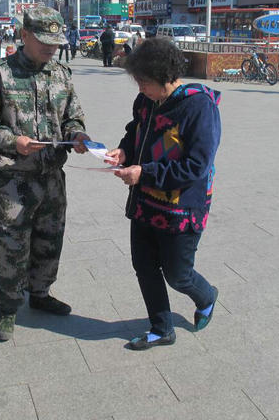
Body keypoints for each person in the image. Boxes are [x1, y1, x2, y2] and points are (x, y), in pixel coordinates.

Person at [0, 7, 91, 342]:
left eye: (55, 42)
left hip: (52, 177)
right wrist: (13, 142)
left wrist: (78, 134)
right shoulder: (0, 74)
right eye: (43, 41)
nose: (51, 47)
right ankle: (8, 308)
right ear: (24, 36)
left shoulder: (61, 74)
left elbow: (73, 115)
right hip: (14, 181)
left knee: (50, 241)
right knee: (12, 247)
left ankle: (40, 293)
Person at [105, 38, 221, 350]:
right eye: (137, 81)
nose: (140, 88)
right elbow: (135, 131)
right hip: (144, 203)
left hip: (181, 208)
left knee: (178, 274)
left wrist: (144, 173)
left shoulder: (200, 107)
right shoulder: (145, 101)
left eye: (144, 81)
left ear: (165, 76)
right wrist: (124, 151)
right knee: (144, 266)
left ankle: (206, 296)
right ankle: (161, 328)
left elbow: (196, 165)